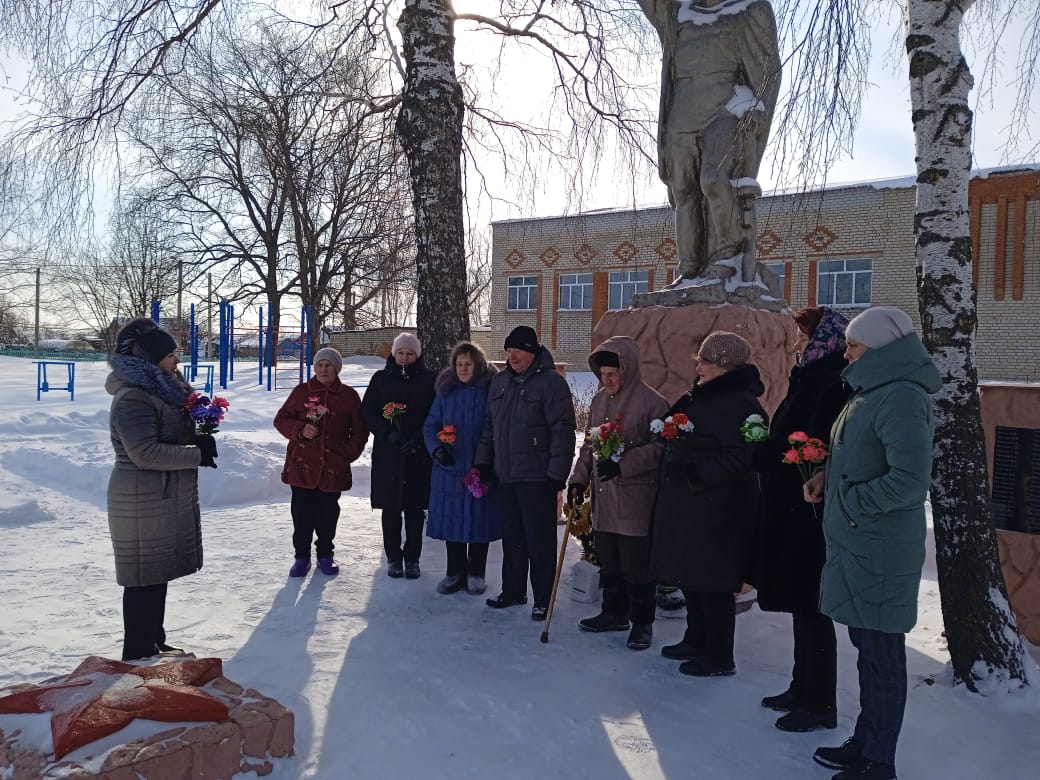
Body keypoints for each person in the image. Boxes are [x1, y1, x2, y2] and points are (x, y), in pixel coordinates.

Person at [805, 307, 939, 780]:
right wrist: (827, 476)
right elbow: (865, 459)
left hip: (878, 546)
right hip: (862, 543)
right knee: (868, 651)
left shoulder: (900, 396)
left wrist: (852, 503)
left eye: (855, 345)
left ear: (880, 347)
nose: (847, 352)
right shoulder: (873, 393)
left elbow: (909, 480)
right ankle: (865, 741)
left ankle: (879, 761)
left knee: (882, 658)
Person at [749, 306, 850, 732]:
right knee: (800, 607)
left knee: (812, 607)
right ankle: (801, 686)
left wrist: (768, 454)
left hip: (809, 509)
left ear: (824, 339)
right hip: (790, 505)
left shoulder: (830, 382)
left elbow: (811, 441)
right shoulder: (807, 375)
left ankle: (820, 703)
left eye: (803, 336)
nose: (796, 343)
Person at [637, 0, 781, 282]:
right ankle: (689, 267)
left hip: (726, 111)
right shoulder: (677, 13)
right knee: (683, 191)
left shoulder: (750, 9)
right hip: (681, 115)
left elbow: (767, 71)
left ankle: (729, 257)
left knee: (715, 179)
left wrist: (756, 110)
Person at [650, 331, 765, 676]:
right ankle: (695, 638)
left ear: (725, 366)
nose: (699, 366)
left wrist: (696, 473)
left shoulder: (742, 404)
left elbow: (743, 457)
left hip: (719, 508)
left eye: (706, 361)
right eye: (700, 360)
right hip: (693, 506)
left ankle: (718, 655)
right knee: (692, 576)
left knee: (714, 583)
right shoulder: (701, 395)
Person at [105, 317, 215, 661]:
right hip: (140, 500)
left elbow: (165, 436)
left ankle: (154, 642)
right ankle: (137, 656)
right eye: (171, 355)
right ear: (151, 359)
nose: (177, 361)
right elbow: (145, 453)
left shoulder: (160, 391)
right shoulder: (132, 399)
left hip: (159, 497)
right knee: (142, 582)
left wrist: (197, 433)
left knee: (156, 576)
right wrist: (196, 454)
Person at [567, 336, 668, 650]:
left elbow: (662, 448)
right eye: (603, 375)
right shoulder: (598, 401)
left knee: (636, 566)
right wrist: (577, 481)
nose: (606, 380)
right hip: (605, 497)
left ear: (628, 370)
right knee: (609, 561)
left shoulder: (653, 403)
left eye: (613, 374)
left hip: (636, 497)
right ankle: (613, 612)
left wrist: (625, 464)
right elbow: (589, 447)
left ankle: (642, 623)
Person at [475, 325, 576, 621]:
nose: (512, 355)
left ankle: (543, 598)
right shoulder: (501, 382)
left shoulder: (550, 384)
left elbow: (563, 431)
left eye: (517, 350)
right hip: (506, 475)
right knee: (512, 538)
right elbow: (489, 429)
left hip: (537, 478)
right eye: (508, 350)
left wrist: (557, 475)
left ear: (532, 351)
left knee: (540, 541)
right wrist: (484, 463)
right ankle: (513, 590)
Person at [274, 347, 368, 578]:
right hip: (302, 465)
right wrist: (299, 429)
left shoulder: (348, 396)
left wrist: (347, 453)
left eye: (328, 365)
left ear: (336, 368)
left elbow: (360, 431)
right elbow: (281, 419)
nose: (324, 370)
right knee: (302, 514)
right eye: (320, 365)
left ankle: (325, 555)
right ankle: (301, 557)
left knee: (327, 515)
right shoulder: (301, 392)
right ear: (314, 368)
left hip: (332, 467)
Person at [422, 342, 501, 596]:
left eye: (468, 364)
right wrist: (437, 449)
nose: (464, 369)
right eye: (459, 364)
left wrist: (489, 460)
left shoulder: (490, 391)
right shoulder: (445, 392)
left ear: (478, 365)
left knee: (480, 522)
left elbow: (497, 428)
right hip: (450, 468)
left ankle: (476, 572)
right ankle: (454, 572)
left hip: (480, 468)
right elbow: (430, 426)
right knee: (453, 522)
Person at [361, 333, 436, 579]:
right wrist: (386, 433)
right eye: (401, 353)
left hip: (417, 453)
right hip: (389, 453)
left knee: (415, 510)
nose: (405, 357)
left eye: (410, 353)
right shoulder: (381, 379)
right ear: (394, 353)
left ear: (418, 355)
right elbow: (368, 412)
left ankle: (412, 558)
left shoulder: (428, 380)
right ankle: (393, 557)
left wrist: (418, 438)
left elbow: (434, 414)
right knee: (391, 508)